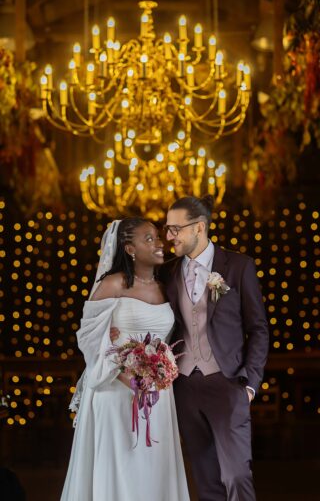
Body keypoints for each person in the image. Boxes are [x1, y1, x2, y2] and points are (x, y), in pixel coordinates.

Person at [60, 218, 190, 501]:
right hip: (116, 390)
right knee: (120, 463)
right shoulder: (113, 283)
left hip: (157, 394)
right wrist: (124, 372)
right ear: (130, 248)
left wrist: (160, 370)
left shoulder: (165, 286)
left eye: (157, 237)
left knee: (154, 467)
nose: (159, 244)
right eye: (149, 239)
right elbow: (89, 336)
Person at [160, 195, 269, 501]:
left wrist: (249, 384)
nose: (168, 236)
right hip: (184, 386)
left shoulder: (238, 266)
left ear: (199, 228)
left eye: (175, 229)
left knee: (236, 474)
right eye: (167, 229)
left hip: (228, 382)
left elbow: (258, 329)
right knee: (206, 478)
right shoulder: (167, 272)